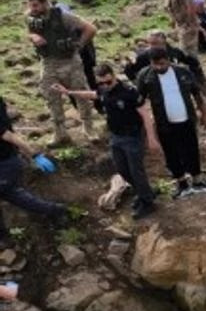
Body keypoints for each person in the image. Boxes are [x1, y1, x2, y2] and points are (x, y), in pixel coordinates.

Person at [54, 64, 156, 219]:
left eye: (108, 82)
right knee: (122, 170)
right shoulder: (103, 90)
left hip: (132, 136)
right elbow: (92, 94)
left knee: (136, 170)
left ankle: (147, 202)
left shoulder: (129, 92)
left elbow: (145, 114)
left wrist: (152, 138)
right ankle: (143, 193)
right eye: (101, 83)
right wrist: (68, 92)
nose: (105, 86)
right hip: (115, 136)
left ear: (114, 76)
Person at [135, 47, 206, 196]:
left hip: (186, 119)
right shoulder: (145, 76)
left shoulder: (182, 72)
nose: (159, 67)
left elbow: (196, 94)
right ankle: (181, 182)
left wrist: (204, 114)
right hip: (164, 123)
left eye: (162, 64)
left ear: (169, 60)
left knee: (191, 148)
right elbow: (140, 101)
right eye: (155, 64)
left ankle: (197, 179)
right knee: (171, 153)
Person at [27, 0, 97, 146]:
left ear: (44, 2)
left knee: (81, 94)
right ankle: (60, 133)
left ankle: (89, 129)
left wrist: (79, 45)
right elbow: (29, 32)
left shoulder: (64, 17)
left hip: (70, 61)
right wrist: (33, 37)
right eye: (31, 5)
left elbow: (90, 29)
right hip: (48, 62)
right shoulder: (32, 18)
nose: (33, 9)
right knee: (51, 97)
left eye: (36, 5)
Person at [0, 96, 68, 253]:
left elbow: (8, 135)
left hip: (5, 164)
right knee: (13, 195)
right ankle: (55, 210)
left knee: (14, 194)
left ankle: (4, 238)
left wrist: (34, 155)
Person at [124, 30, 205, 84]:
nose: (153, 47)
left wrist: (196, 79)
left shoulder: (175, 52)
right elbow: (129, 70)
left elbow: (192, 62)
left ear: (164, 41)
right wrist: (139, 84)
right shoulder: (144, 56)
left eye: (155, 43)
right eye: (150, 44)